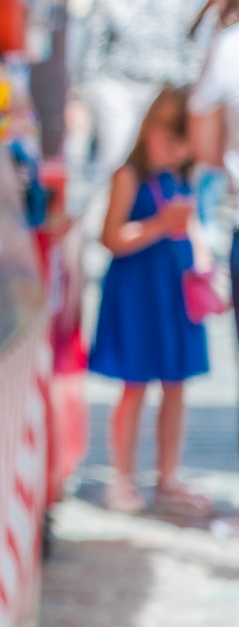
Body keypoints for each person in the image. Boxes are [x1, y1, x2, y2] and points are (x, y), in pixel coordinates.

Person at [89, 88, 210, 515]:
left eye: (183, 144)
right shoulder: (129, 175)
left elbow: (192, 230)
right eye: (169, 140)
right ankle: (122, 477)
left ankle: (168, 477)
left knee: (176, 385)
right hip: (138, 291)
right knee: (135, 384)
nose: (175, 151)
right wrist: (159, 225)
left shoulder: (182, 178)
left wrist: (204, 266)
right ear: (148, 129)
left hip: (175, 290)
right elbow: (110, 237)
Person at [75, 0, 200, 175]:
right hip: (118, 88)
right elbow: (92, 49)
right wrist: (83, 97)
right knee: (120, 164)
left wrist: (191, 89)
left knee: (162, 168)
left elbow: (190, 41)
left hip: (165, 90)